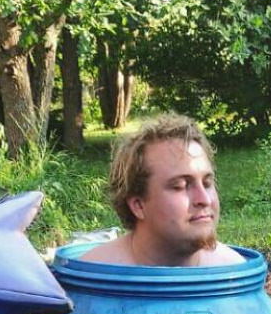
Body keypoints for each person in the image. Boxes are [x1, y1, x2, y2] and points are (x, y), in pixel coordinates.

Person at [81, 114, 245, 267]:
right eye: (180, 186)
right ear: (138, 205)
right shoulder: (90, 278)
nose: (205, 199)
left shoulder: (235, 274)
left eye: (207, 183)